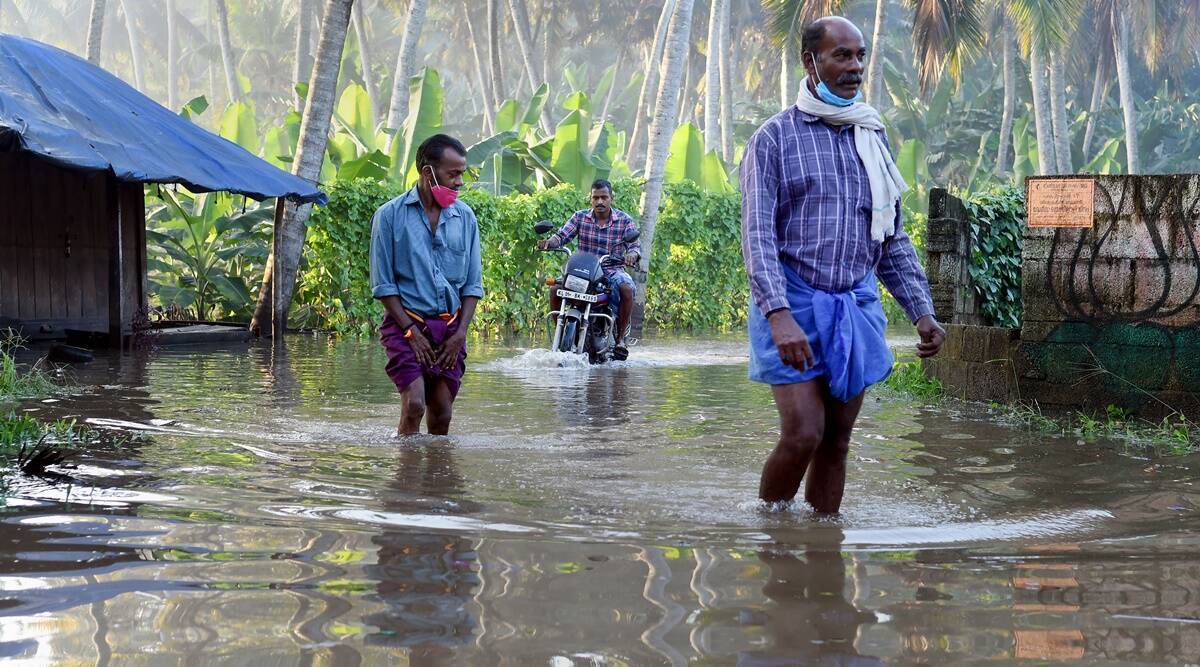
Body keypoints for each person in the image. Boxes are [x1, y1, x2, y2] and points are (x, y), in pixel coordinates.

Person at [740, 16, 945, 513]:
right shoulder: (774, 140)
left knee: (837, 440)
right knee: (803, 434)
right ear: (811, 62)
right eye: (842, 56)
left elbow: (890, 237)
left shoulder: (871, 137)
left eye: (860, 56)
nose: (854, 67)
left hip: (855, 303)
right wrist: (777, 313)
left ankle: (823, 553)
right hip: (793, 306)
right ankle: (773, 537)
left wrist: (922, 310)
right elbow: (757, 235)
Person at [370, 134, 483, 436]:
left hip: (451, 328)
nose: (460, 182)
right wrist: (410, 330)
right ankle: (406, 477)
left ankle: (436, 480)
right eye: (453, 174)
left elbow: (472, 285)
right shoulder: (389, 216)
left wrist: (460, 334)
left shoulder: (465, 218)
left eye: (462, 173)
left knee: (443, 412)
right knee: (415, 405)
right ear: (427, 173)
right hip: (405, 324)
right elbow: (384, 285)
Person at [537, 179, 641, 360]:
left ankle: (620, 340)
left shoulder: (624, 221)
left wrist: (632, 255)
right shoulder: (580, 217)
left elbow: (634, 246)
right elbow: (562, 236)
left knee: (626, 288)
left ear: (611, 199)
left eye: (604, 197)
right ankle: (560, 333)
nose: (600, 201)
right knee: (554, 290)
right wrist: (549, 243)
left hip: (611, 270)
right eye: (596, 198)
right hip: (584, 270)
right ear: (590, 199)